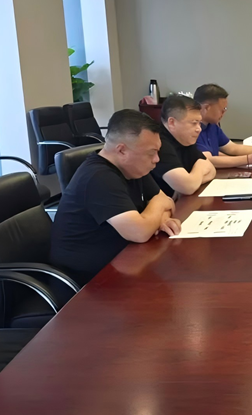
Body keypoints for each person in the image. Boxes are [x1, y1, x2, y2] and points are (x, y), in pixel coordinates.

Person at [50, 110, 182, 287]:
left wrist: (158, 218)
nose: (157, 159)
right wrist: (157, 209)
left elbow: (167, 203)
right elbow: (139, 232)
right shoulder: (98, 177)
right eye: (151, 153)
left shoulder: (133, 168)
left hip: (123, 262)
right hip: (87, 283)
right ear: (122, 150)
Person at [193, 83, 252, 168]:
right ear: (207, 108)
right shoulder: (193, 129)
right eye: (222, 110)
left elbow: (232, 148)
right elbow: (207, 160)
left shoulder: (212, 125)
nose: (223, 113)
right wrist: (248, 159)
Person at [151, 94, 216, 196]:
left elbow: (212, 170)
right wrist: (200, 168)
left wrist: (192, 181)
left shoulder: (184, 139)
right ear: (172, 122)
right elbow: (188, 187)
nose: (199, 129)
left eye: (199, 123)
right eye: (194, 123)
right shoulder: (158, 144)